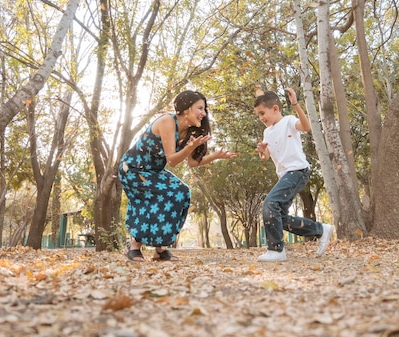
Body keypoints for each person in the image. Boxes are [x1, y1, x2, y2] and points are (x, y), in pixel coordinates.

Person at [119, 90, 237, 262]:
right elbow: (173, 160)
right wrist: (190, 147)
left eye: (205, 110)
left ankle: (160, 249)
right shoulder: (168, 121)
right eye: (200, 108)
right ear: (186, 108)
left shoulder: (191, 131)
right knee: (155, 197)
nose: (203, 114)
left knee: (181, 192)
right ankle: (134, 246)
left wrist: (215, 156)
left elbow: (192, 163)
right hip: (133, 169)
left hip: (154, 171)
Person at [254, 88, 333, 262]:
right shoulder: (267, 132)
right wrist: (262, 152)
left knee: (270, 203)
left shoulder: (289, 121)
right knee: (280, 217)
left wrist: (295, 104)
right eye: (258, 115)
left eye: (262, 113)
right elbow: (266, 157)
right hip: (285, 175)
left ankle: (276, 250)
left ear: (275, 109)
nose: (261, 118)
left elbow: (306, 127)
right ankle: (320, 229)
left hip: (298, 171)